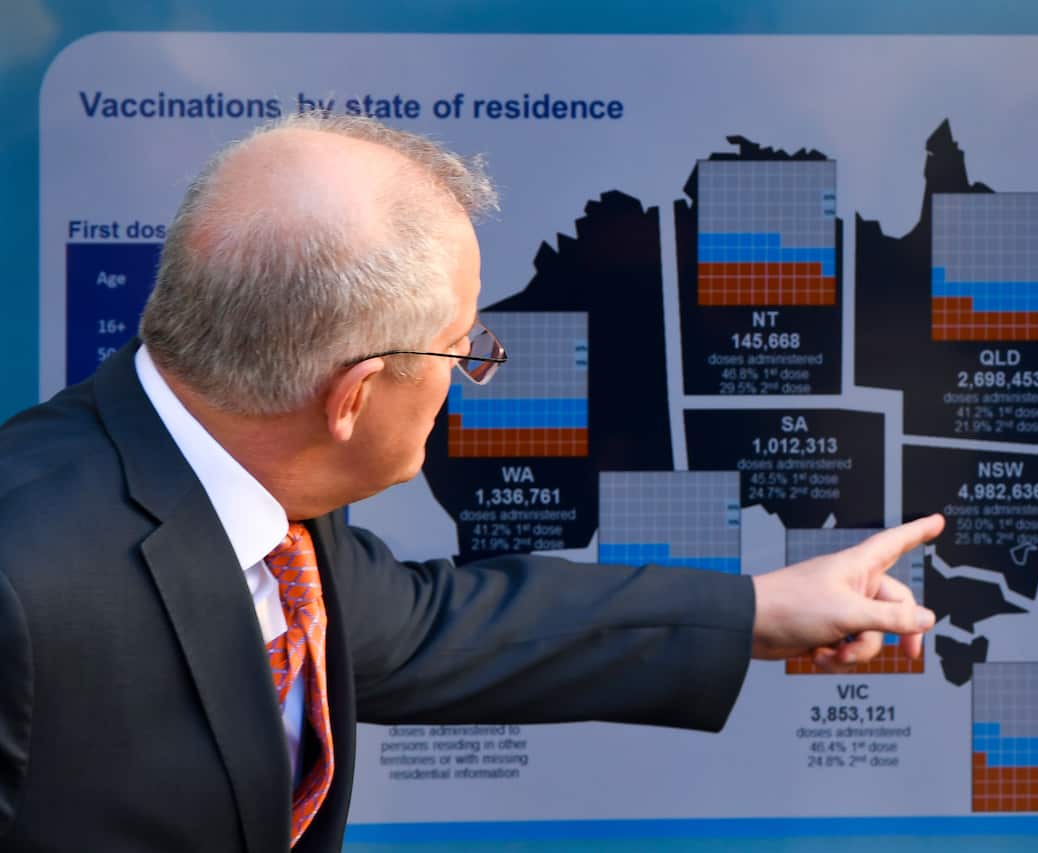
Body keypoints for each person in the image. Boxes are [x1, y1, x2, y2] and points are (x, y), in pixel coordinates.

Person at [0, 113, 943, 852]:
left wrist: (758, 609)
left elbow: (423, 621)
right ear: (355, 396)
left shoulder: (256, 488)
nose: (469, 372)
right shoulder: (19, 582)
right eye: (463, 349)